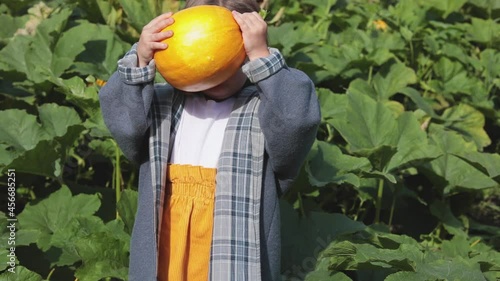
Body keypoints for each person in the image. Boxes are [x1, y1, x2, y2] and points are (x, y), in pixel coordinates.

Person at [98, 0, 320, 280]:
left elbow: (298, 122)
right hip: (167, 246)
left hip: (232, 252)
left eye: (227, 52)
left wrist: (265, 61)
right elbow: (123, 122)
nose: (212, 65)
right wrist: (140, 60)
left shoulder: (263, 109)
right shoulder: (161, 103)